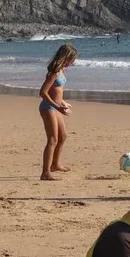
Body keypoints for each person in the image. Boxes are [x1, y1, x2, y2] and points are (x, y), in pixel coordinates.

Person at [38, 43, 77, 181]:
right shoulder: (54, 72)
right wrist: (57, 106)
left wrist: (63, 102)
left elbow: (57, 92)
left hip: (56, 107)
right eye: (71, 59)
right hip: (48, 108)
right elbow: (43, 92)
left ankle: (55, 164)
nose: (72, 63)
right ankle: (45, 172)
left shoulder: (62, 71)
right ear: (65, 57)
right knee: (52, 139)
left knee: (63, 136)